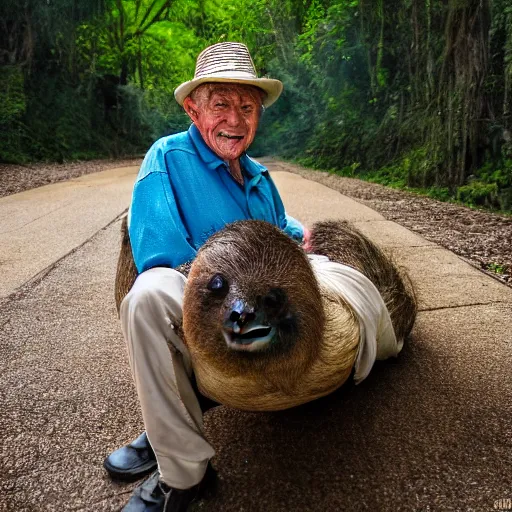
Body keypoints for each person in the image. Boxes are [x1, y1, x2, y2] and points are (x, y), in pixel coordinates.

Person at [104, 41, 306, 512]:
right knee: (149, 295)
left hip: (255, 315)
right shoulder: (167, 158)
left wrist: (304, 236)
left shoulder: (259, 176)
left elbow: (282, 232)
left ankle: (168, 425)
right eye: (221, 105)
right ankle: (185, 471)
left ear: (259, 114)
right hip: (204, 299)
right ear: (194, 110)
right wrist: (232, 291)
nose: (235, 121)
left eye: (246, 106)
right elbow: (160, 252)